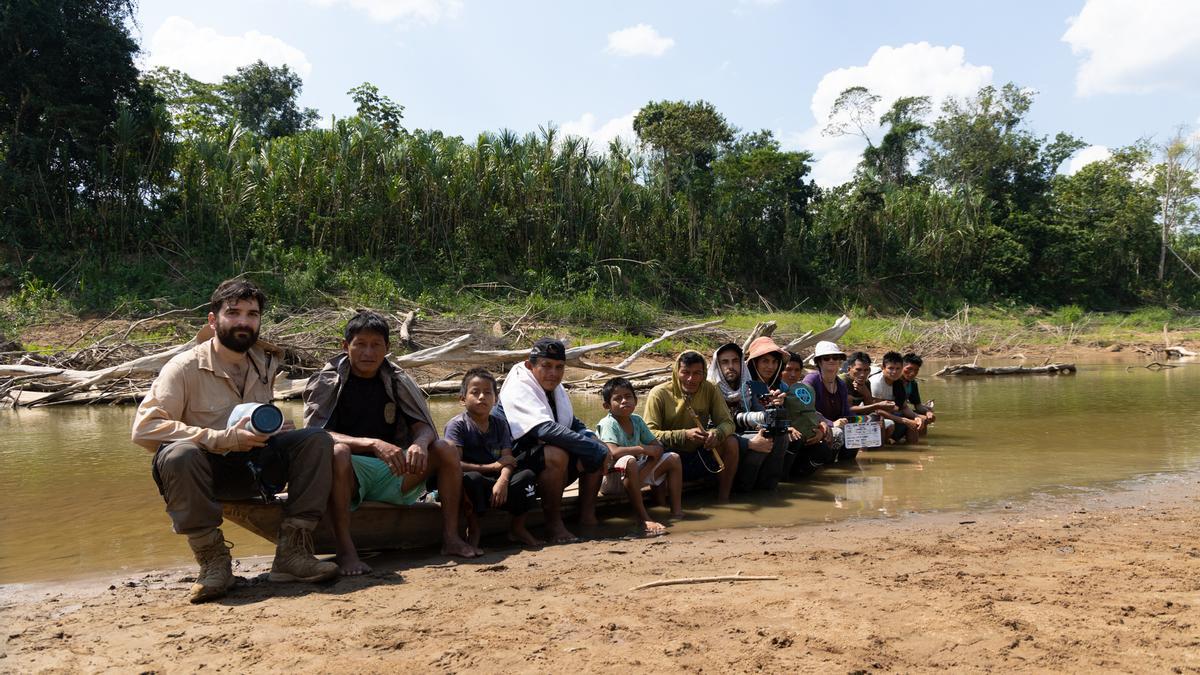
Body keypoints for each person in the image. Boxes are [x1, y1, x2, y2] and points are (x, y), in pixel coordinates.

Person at [134, 279, 339, 603]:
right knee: (177, 455)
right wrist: (219, 438)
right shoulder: (184, 367)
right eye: (234, 313)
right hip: (206, 474)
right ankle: (213, 563)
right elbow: (144, 429)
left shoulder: (264, 362)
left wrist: (275, 427)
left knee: (316, 439)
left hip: (255, 468)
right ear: (213, 320)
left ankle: (292, 555)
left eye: (252, 314)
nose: (244, 321)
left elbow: (251, 415)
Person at [304, 310, 477, 575]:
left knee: (445, 448)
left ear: (387, 348)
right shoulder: (329, 380)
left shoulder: (396, 379)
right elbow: (316, 434)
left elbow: (423, 426)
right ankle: (346, 551)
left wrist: (420, 442)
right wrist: (371, 443)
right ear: (345, 346)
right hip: (348, 474)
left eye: (376, 345)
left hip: (395, 471)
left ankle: (451, 538)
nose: (368, 352)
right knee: (338, 452)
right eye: (360, 344)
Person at [495, 338, 608, 544]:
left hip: (538, 462)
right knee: (560, 453)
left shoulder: (554, 388)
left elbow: (572, 422)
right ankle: (553, 525)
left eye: (559, 367)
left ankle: (587, 518)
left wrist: (592, 438)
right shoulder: (519, 387)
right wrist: (591, 447)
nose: (553, 373)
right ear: (530, 365)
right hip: (512, 467)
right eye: (546, 366)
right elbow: (544, 429)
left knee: (597, 446)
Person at [443, 368, 541, 548]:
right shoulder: (457, 426)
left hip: (495, 483)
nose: (482, 397)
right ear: (462, 399)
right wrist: (492, 467)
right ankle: (474, 530)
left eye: (488, 393)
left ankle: (517, 528)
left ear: (495, 399)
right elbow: (454, 465)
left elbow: (508, 460)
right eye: (475, 392)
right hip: (474, 480)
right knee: (471, 479)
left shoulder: (500, 424)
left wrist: (503, 481)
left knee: (527, 475)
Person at [642, 351, 739, 502]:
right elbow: (649, 435)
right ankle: (661, 506)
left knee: (731, 441)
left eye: (697, 373)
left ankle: (724, 498)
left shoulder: (710, 389)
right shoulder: (658, 393)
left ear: (704, 373)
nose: (691, 379)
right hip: (669, 457)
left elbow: (728, 423)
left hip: (699, 453)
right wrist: (684, 435)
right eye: (685, 372)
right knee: (656, 449)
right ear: (677, 372)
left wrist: (716, 433)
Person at [596, 377, 682, 535]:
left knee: (674, 458)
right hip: (611, 480)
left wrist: (646, 466)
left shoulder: (637, 420)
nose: (624, 401)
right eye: (618, 398)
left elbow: (657, 447)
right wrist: (641, 449)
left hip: (635, 475)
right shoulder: (608, 423)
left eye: (628, 397)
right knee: (629, 460)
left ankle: (677, 512)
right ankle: (643, 518)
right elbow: (614, 452)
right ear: (606, 405)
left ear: (635, 400)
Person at [711, 337, 792, 491]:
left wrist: (771, 404)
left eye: (735, 361)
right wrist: (749, 443)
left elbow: (760, 413)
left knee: (778, 435)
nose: (731, 367)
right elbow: (712, 426)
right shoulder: (711, 387)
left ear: (741, 364)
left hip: (742, 430)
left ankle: (767, 490)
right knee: (762, 441)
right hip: (724, 436)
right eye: (725, 362)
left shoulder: (747, 383)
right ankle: (744, 490)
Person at [778, 351, 831, 477]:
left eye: (797, 370)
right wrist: (787, 428)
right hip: (786, 440)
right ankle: (783, 477)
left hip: (808, 439)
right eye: (788, 369)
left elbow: (811, 413)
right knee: (794, 440)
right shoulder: (774, 389)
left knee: (824, 450)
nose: (792, 374)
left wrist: (821, 428)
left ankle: (801, 477)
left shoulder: (805, 390)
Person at [800, 341, 855, 462]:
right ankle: (828, 465)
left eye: (835, 357)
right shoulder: (811, 381)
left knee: (855, 433)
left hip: (838, 426)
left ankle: (845, 469)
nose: (831, 360)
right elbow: (806, 410)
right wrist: (831, 423)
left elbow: (846, 411)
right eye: (826, 358)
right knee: (839, 434)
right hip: (817, 425)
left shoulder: (841, 384)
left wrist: (860, 422)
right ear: (819, 362)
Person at [840, 351, 897, 443]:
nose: (862, 374)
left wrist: (866, 393)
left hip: (855, 417)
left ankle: (879, 452)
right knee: (866, 426)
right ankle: (864, 451)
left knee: (880, 420)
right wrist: (878, 405)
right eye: (858, 370)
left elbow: (869, 409)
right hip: (842, 418)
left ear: (870, 370)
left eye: (866, 370)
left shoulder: (866, 382)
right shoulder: (843, 381)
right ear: (849, 369)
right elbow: (849, 409)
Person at [869, 351, 924, 444]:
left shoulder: (899, 382)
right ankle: (884, 448)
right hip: (875, 415)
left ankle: (915, 453)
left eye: (898, 368)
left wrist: (917, 417)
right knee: (890, 422)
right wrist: (904, 420)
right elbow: (877, 410)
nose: (894, 372)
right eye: (890, 368)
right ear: (883, 368)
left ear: (901, 368)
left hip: (891, 414)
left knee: (915, 424)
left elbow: (904, 406)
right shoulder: (876, 382)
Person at [901, 353, 936, 432]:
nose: (913, 373)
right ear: (901, 366)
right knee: (922, 419)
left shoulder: (912, 383)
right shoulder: (895, 382)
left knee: (927, 417)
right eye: (909, 369)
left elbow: (918, 405)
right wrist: (917, 416)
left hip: (904, 410)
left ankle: (922, 442)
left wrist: (928, 412)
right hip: (896, 411)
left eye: (916, 370)